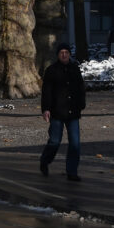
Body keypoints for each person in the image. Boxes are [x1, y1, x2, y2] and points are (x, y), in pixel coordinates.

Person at [40, 42, 86, 181]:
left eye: (66, 52)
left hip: (73, 111)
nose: (64, 55)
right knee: (54, 141)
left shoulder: (75, 69)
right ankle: (45, 160)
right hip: (57, 111)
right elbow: (46, 92)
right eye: (61, 53)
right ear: (58, 55)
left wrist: (81, 104)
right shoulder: (52, 70)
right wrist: (46, 109)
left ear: (70, 54)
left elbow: (80, 88)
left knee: (75, 143)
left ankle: (72, 171)